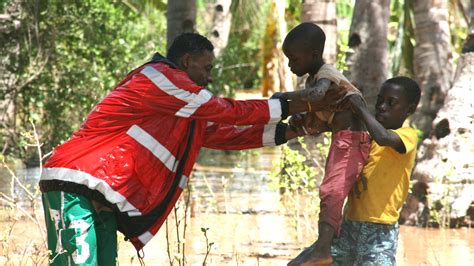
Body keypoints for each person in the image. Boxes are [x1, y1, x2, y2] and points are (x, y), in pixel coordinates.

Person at [39, 33, 340, 265]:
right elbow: (227, 111)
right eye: (206, 68)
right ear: (185, 63)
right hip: (74, 180)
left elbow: (222, 134)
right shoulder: (162, 79)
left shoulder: (181, 106)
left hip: (98, 193)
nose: (210, 77)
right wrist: (297, 101)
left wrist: (290, 130)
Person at [278, 23, 370, 265]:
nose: (290, 65)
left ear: (313, 55)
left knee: (332, 190)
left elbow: (318, 96)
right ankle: (323, 245)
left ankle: (323, 250)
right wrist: (303, 120)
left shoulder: (326, 74)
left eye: (294, 59)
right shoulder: (313, 80)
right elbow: (321, 122)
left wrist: (285, 96)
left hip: (352, 141)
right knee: (329, 190)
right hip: (342, 140)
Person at [328, 76, 421, 265]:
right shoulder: (367, 137)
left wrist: (360, 109)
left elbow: (383, 137)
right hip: (349, 223)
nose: (382, 106)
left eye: (391, 103)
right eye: (380, 100)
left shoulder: (406, 136)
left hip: (380, 228)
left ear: (409, 109)